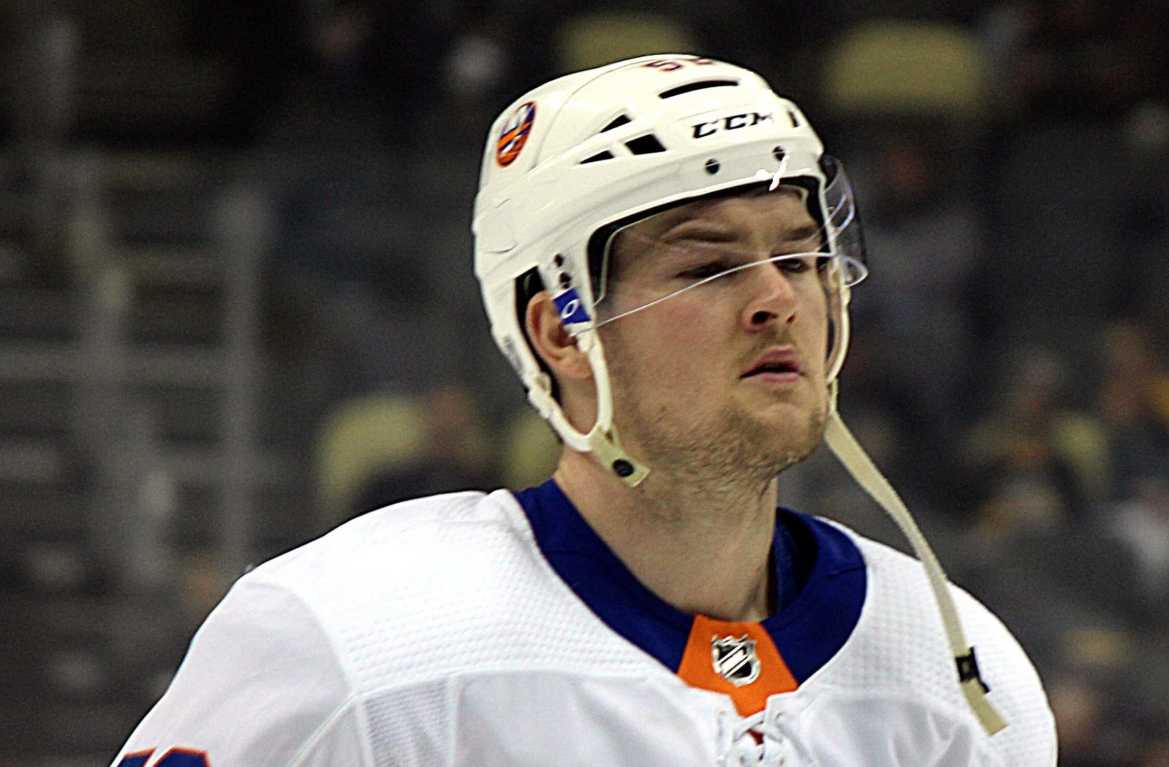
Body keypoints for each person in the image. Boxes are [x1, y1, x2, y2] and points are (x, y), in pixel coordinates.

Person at [110, 54, 1056, 766]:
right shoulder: (353, 642)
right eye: (711, 265)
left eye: (801, 255)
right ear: (561, 331)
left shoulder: (954, 668)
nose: (779, 298)